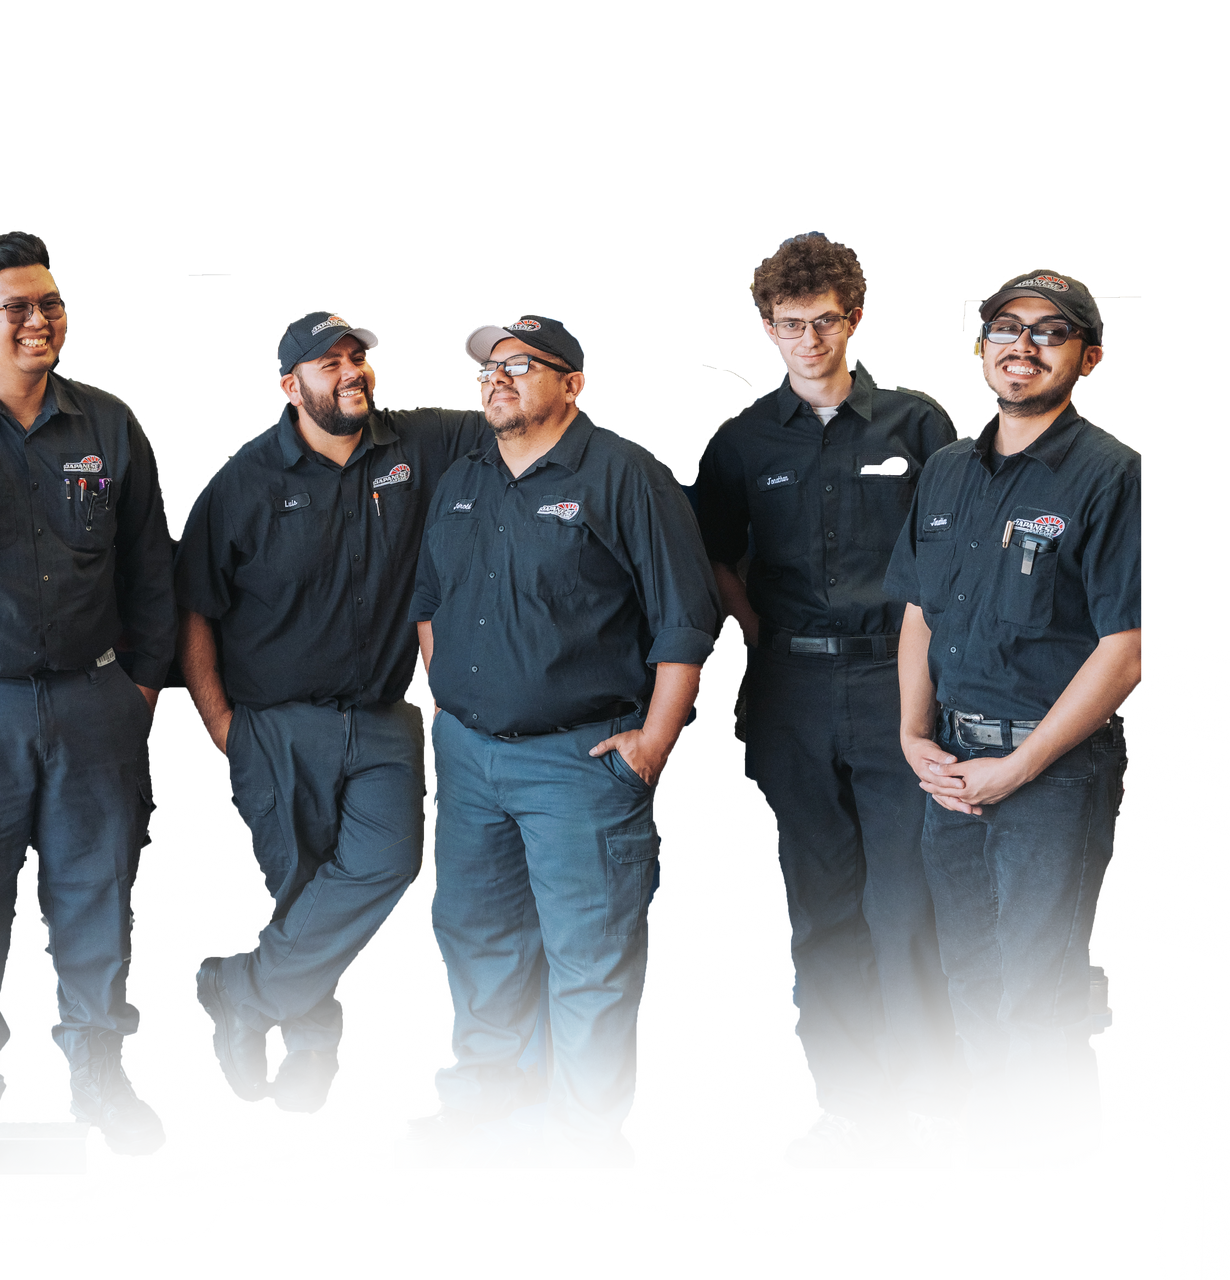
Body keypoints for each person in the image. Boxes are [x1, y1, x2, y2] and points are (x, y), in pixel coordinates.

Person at [410, 313, 720, 1163]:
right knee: (476, 935)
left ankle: (583, 1143)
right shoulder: (464, 478)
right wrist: (446, 698)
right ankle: (488, 1104)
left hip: (578, 762)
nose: (497, 379)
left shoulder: (627, 476)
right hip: (468, 760)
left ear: (573, 385)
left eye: (521, 365)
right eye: (487, 368)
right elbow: (430, 599)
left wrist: (653, 744)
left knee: (589, 956)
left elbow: (687, 622)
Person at [0, 228, 175, 1155]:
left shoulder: (109, 424)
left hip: (93, 707)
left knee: (97, 901)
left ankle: (99, 1076)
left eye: (50, 303)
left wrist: (140, 691)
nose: (38, 320)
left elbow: (151, 571)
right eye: (15, 307)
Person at [692, 229, 962, 1165]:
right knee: (823, 903)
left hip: (898, 681)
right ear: (767, 328)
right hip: (791, 692)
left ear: (854, 320)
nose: (808, 340)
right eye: (789, 324)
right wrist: (764, 637)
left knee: (908, 901)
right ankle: (852, 1105)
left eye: (824, 322)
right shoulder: (740, 442)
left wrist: (923, 681)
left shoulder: (918, 427)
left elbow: (948, 557)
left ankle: (932, 1104)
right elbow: (715, 557)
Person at [176, 309, 488, 1112]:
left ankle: (239, 991)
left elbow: (507, 418)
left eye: (360, 358)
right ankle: (312, 1043)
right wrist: (220, 724)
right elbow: (194, 607)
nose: (352, 372)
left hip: (385, 715)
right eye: (330, 363)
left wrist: (523, 358)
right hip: (275, 725)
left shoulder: (419, 443)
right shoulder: (243, 483)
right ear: (291, 386)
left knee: (388, 865)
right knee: (304, 887)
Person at [885, 267, 1143, 1161]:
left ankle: (1058, 1186)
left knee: (1039, 1001)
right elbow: (920, 612)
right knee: (969, 984)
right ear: (981, 344)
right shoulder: (948, 470)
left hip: (1052, 778)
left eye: (1051, 331)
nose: (1022, 345)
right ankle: (999, 1175)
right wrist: (913, 735)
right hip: (951, 769)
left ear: (1089, 357)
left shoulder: (1114, 475)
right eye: (1005, 326)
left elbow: (1125, 651)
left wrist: (1019, 767)